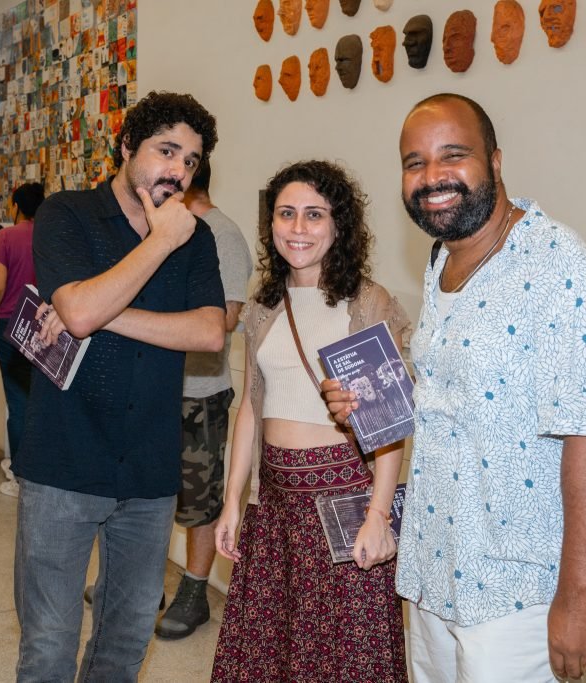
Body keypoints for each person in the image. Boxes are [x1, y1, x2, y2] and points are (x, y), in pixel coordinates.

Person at [326, 93, 586, 682]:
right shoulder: (442, 263)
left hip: (520, 589)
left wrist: (578, 595)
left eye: (453, 155)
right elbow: (457, 402)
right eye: (414, 162)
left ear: (495, 160)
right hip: (435, 564)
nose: (432, 177)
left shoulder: (559, 265)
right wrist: (369, 405)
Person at [12, 91, 225, 682]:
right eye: (166, 151)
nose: (178, 171)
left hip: (151, 472)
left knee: (125, 640)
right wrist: (158, 241)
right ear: (127, 147)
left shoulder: (199, 238)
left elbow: (209, 331)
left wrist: (97, 308)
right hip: (63, 462)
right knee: (49, 646)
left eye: (191, 159)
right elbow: (74, 314)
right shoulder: (67, 214)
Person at [212, 160, 410, 682]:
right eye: (286, 214)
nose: (298, 228)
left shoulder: (366, 303)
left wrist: (379, 515)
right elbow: (251, 408)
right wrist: (233, 502)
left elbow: (390, 426)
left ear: (337, 225)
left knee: (346, 661)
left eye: (314, 215)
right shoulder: (263, 308)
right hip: (276, 511)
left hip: (345, 506)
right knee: (272, 658)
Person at [154, 159, 252, 640]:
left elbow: (228, 316)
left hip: (199, 392)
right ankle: (147, 581)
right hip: (154, 389)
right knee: (147, 492)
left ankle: (194, 593)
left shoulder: (221, 233)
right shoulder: (159, 227)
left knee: (199, 500)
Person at [0, 181, 45, 498]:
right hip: (46, 325)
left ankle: (21, 475)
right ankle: (43, 471)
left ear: (16, 206)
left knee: (18, 404)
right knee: (43, 401)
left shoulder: (5, 237)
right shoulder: (50, 236)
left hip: (12, 323)